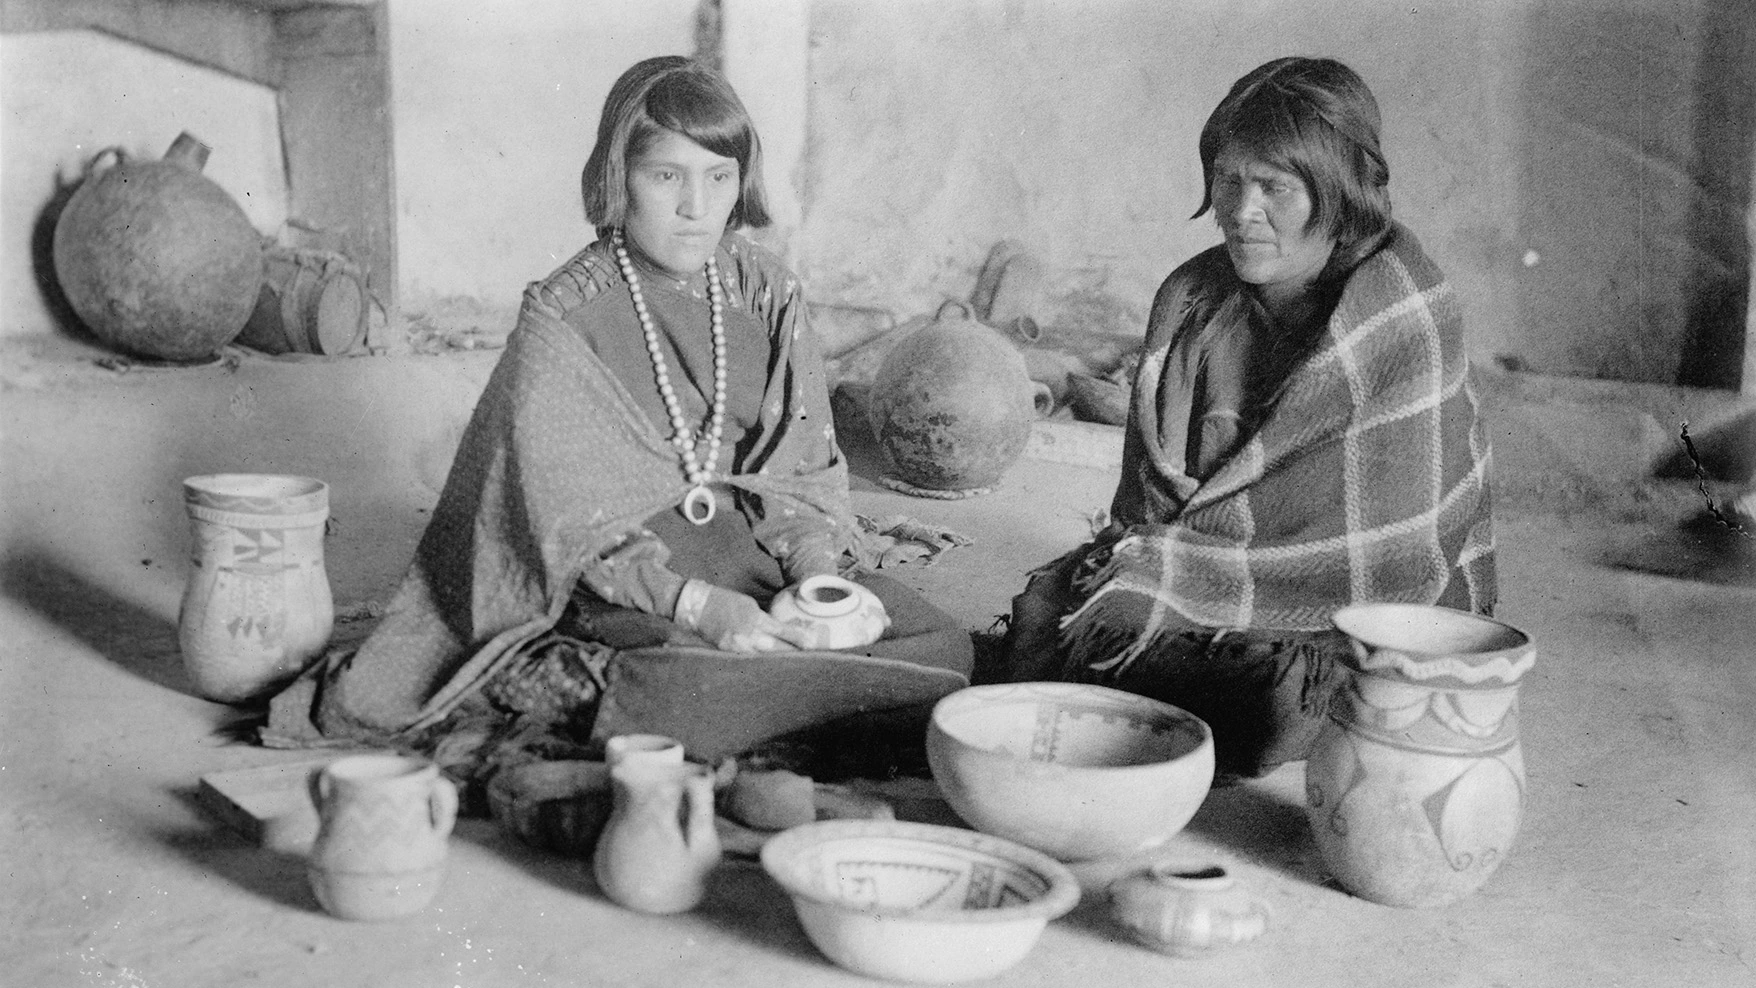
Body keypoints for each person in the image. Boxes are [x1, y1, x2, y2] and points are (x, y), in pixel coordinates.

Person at [267, 56, 972, 788]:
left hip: (749, 550)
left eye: (719, 177)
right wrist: (697, 606)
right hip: (623, 573)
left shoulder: (766, 292)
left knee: (942, 645)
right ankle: (773, 709)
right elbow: (561, 518)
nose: (696, 206)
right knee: (683, 685)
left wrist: (822, 588)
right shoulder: (563, 314)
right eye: (666, 176)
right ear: (618, 175)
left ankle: (784, 704)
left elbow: (797, 470)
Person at [1004, 57, 1496, 779]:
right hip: (1205, 578)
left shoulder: (1403, 315)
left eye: (1274, 187)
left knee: (1272, 704)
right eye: (1228, 179)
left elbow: (1394, 556)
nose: (1241, 210)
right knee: (1044, 614)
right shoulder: (1192, 303)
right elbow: (1145, 517)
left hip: (1354, 613)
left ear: (1338, 193)